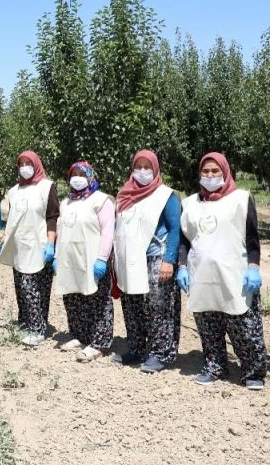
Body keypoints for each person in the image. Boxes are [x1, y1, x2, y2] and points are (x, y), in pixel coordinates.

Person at [177, 152, 266, 390]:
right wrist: (182, 267)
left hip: (235, 275)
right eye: (205, 171)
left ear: (225, 172)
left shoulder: (240, 198)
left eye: (215, 171)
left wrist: (254, 268)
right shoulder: (189, 204)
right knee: (208, 324)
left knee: (244, 325)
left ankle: (253, 371)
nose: (210, 175)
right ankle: (215, 365)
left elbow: (252, 238)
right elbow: (184, 241)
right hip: (202, 276)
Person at [113, 150, 181, 373]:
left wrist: (169, 260)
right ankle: (137, 348)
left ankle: (161, 353)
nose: (142, 171)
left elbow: (174, 229)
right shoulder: (125, 195)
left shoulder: (166, 195)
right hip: (130, 259)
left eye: (147, 167)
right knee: (132, 304)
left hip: (155, 258)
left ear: (156, 169)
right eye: (138, 167)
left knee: (158, 306)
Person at [54, 161, 114, 362]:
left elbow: (107, 231)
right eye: (73, 174)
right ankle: (79, 335)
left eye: (81, 173)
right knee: (73, 299)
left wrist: (102, 258)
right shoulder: (66, 202)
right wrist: (56, 257)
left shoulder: (101, 200)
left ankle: (99, 343)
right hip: (70, 261)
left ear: (90, 176)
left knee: (97, 301)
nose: (77, 178)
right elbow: (61, 231)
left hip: (92, 260)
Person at [0, 151, 59, 346]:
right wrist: (4, 239)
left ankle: (38, 329)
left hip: (39, 245)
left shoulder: (47, 187)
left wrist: (51, 244)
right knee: (21, 287)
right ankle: (25, 322)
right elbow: (13, 218)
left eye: (28, 163)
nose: (24, 167)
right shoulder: (14, 191)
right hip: (19, 246)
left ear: (36, 164)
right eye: (21, 163)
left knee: (35, 288)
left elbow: (52, 217)